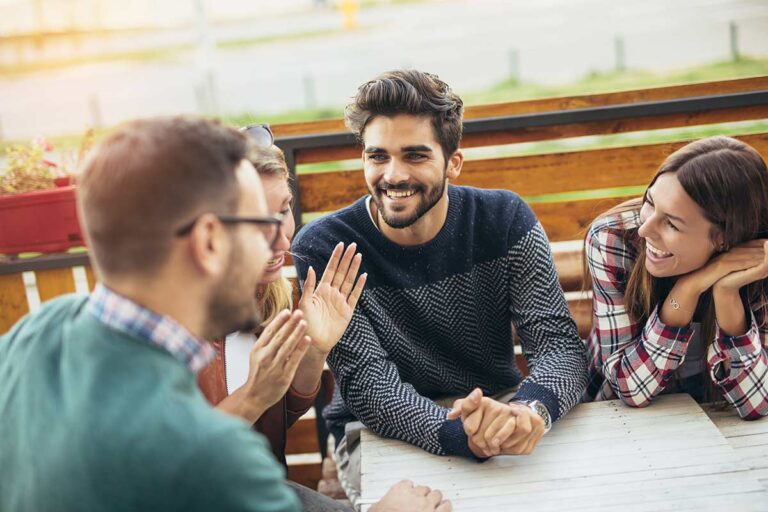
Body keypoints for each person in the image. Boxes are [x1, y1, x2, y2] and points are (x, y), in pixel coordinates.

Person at [0, 116, 451, 512]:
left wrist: (313, 352)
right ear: (209, 242)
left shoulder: (35, 328)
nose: (281, 243)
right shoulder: (211, 456)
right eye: (257, 222)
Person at [291, 69, 588, 504]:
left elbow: (558, 345)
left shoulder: (503, 219)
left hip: (497, 407)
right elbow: (371, 387)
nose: (392, 175)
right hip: (378, 432)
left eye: (415, 156)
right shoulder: (324, 247)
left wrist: (530, 412)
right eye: (377, 156)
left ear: (453, 162)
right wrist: (457, 433)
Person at [584, 136, 768, 418]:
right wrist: (688, 289)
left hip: (720, 422)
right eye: (649, 202)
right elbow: (629, 387)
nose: (645, 230)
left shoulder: (759, 260)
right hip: (624, 424)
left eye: (671, 223)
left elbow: (758, 402)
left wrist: (727, 292)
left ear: (723, 239)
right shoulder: (615, 240)